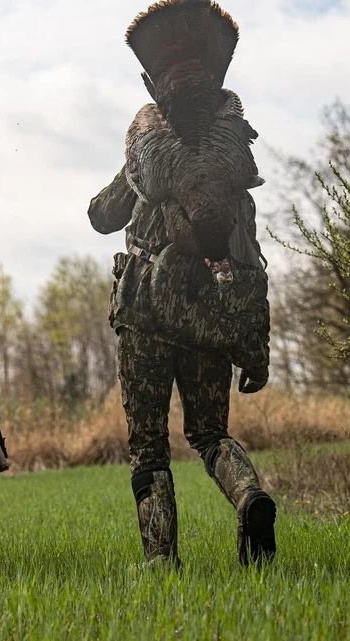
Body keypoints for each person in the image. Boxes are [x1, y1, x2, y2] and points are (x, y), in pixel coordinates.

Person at [88, 168, 277, 567]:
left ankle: (161, 558)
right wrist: (255, 346)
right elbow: (249, 269)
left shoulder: (150, 162)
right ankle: (248, 496)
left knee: (148, 445)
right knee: (210, 433)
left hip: (143, 321)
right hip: (207, 322)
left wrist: (130, 171)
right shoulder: (231, 180)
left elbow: (101, 216)